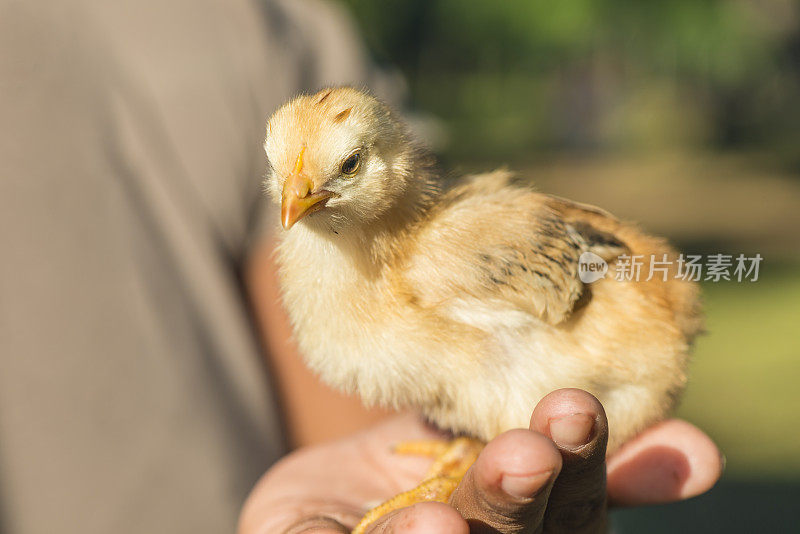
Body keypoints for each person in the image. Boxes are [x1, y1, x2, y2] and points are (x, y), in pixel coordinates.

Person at [0, 1, 721, 533]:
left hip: (621, 328)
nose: (296, 199)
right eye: (284, 178)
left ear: (389, 163)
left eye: (338, 170)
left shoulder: (451, 254)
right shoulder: (320, 236)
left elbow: (623, 271)